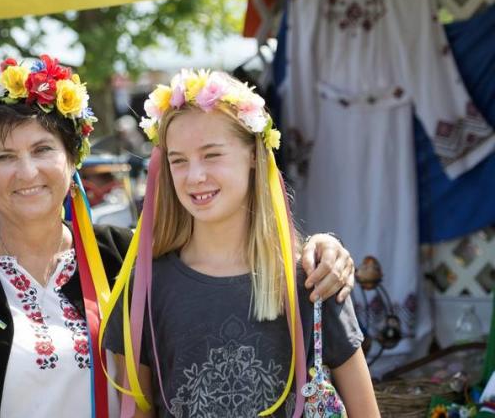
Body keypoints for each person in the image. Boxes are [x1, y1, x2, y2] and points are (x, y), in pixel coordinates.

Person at [0, 55, 358, 418]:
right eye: (4, 156)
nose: (27, 172)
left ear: (73, 161)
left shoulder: (124, 256)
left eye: (43, 150)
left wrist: (323, 247)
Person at [107, 69, 378, 417]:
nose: (195, 176)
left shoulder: (312, 279)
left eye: (212, 154)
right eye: (179, 161)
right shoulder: (143, 288)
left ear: (253, 154)